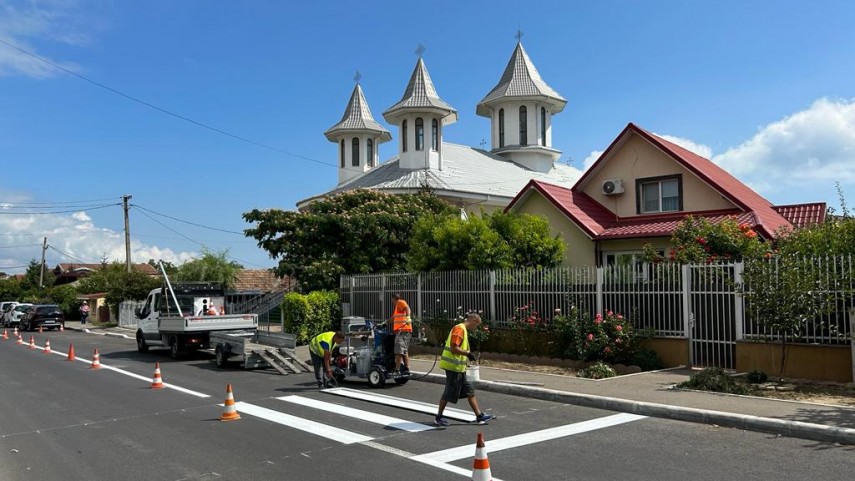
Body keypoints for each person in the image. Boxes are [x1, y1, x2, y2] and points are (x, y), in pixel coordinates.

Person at [434, 313, 494, 427]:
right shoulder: (459, 329)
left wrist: (467, 358)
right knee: (448, 393)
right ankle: (438, 417)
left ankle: (479, 416)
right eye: (476, 325)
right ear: (472, 320)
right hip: (453, 368)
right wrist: (468, 353)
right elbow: (453, 348)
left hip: (459, 368)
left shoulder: (463, 330)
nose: (475, 328)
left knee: (469, 391)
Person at [389, 293, 412, 374]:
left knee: (398, 351)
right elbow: (393, 318)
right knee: (404, 351)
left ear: (394, 299)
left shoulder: (400, 302)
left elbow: (407, 308)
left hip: (402, 330)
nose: (392, 301)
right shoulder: (397, 308)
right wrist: (384, 323)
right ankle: (407, 369)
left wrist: (408, 317)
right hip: (404, 331)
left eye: (392, 299)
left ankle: (397, 370)